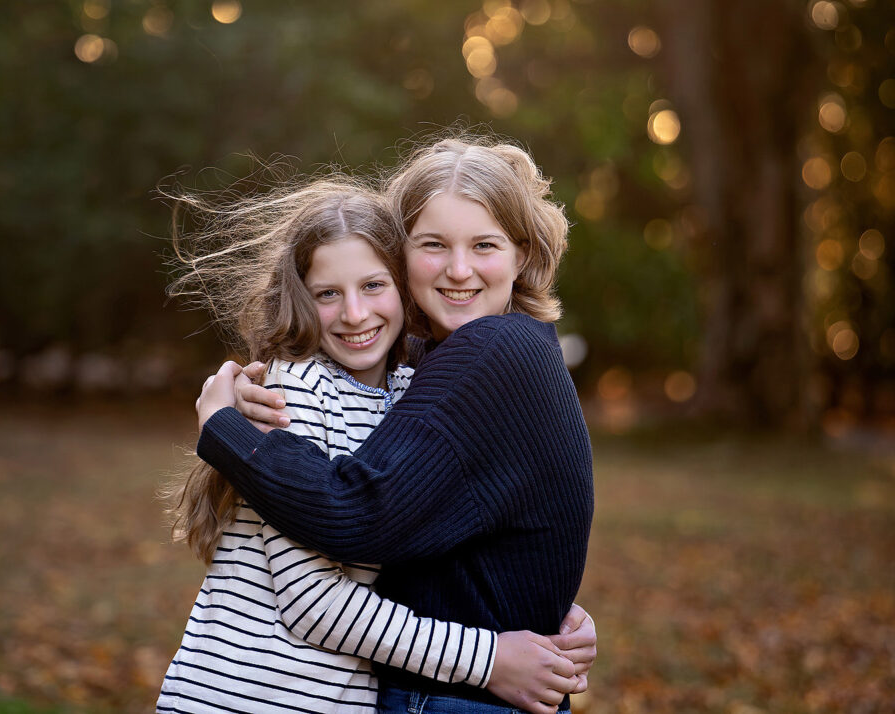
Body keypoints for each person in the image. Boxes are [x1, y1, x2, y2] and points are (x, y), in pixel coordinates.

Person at [159, 177, 595, 714]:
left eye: (373, 286)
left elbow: (437, 526)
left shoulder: (412, 385)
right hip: (244, 697)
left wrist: (543, 603)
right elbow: (314, 599)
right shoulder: (292, 390)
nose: (356, 314)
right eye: (327, 293)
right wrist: (490, 658)